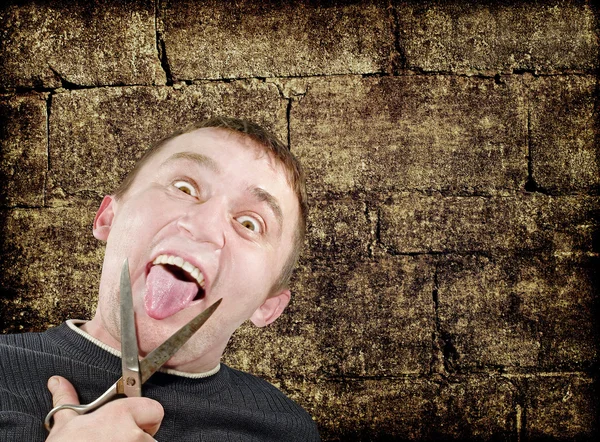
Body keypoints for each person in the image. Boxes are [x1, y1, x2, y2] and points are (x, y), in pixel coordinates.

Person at [0, 117, 320, 441]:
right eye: (184, 188)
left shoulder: (287, 431)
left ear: (267, 305)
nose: (204, 227)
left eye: (250, 223)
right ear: (108, 218)